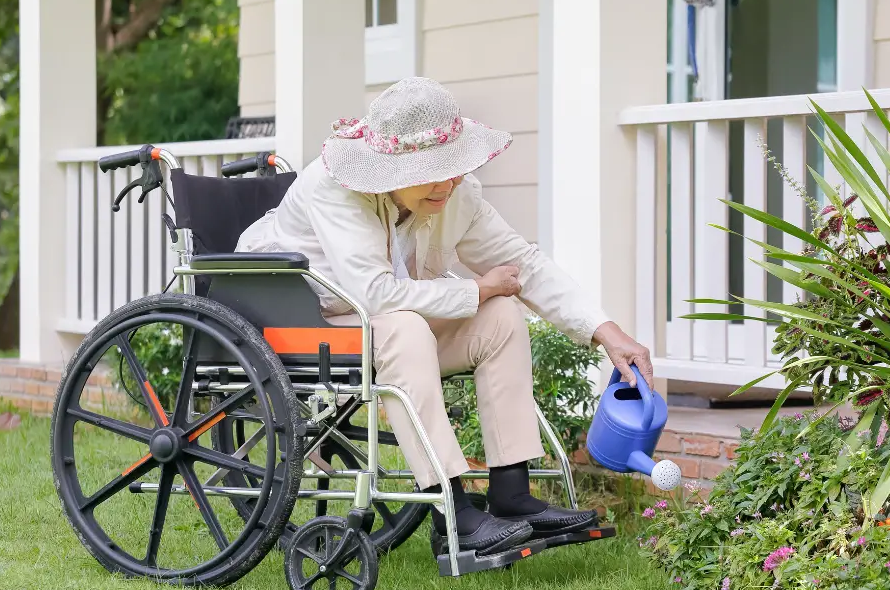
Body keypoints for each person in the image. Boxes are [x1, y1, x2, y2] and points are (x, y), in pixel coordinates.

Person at [236, 76, 654, 555]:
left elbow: (525, 265)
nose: (449, 181)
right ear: (389, 168)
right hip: (303, 321)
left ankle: (512, 495)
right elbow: (372, 295)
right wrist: (475, 288)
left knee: (500, 315)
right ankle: (450, 510)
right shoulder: (334, 188)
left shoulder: (454, 193)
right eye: (433, 170)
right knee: (408, 327)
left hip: (380, 322)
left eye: (452, 166)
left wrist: (607, 332)